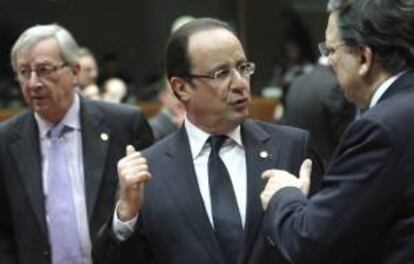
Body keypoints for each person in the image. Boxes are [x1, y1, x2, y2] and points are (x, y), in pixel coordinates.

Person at [94, 18, 322, 264]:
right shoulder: (149, 171)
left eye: (243, 68)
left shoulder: (292, 148)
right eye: (221, 73)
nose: (240, 83)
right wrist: (126, 216)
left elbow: (329, 244)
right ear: (181, 88)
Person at [260, 0, 414, 263]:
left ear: (364, 58)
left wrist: (284, 194)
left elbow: (311, 241)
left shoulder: (380, 129)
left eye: (332, 50)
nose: (329, 61)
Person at [0, 24, 154, 264]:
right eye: (23, 72)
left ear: (74, 71)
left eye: (44, 70)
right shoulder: (6, 140)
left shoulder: (124, 125)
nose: (33, 83)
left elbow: (152, 214)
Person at [281, 56, 355, 167]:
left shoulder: (297, 81)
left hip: (299, 166)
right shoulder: (335, 85)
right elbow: (348, 139)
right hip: (330, 169)